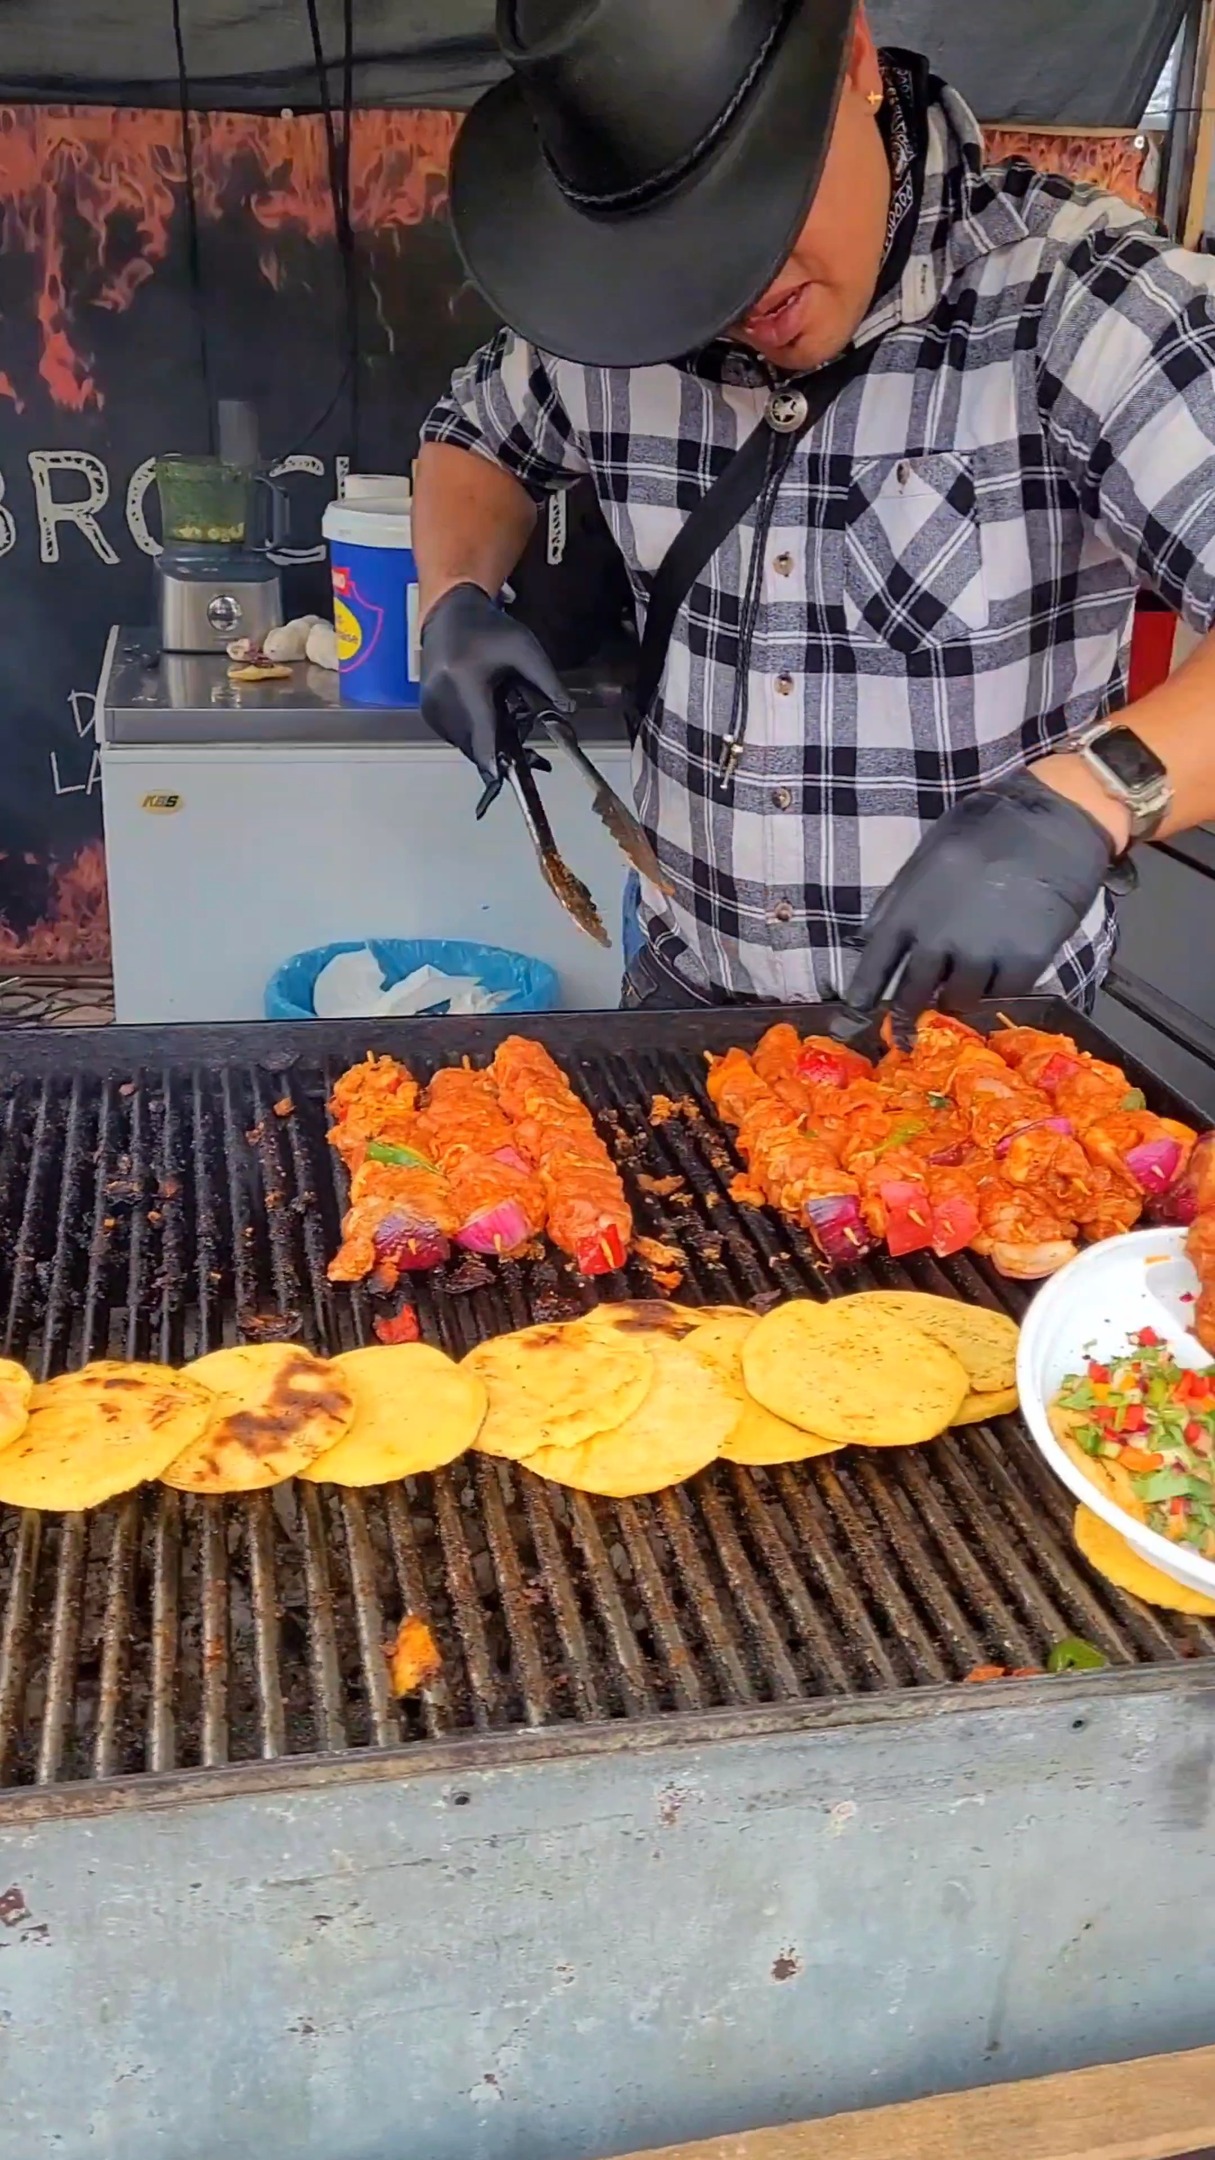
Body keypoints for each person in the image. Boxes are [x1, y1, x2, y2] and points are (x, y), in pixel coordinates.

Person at [414, 0, 1215, 1017]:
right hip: (680, 1002)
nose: (742, 289)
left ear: (857, 62)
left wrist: (1097, 796)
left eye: (756, 208)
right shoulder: (608, 323)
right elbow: (473, 437)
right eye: (681, 254)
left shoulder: (1080, 300)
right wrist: (456, 596)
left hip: (979, 1058)